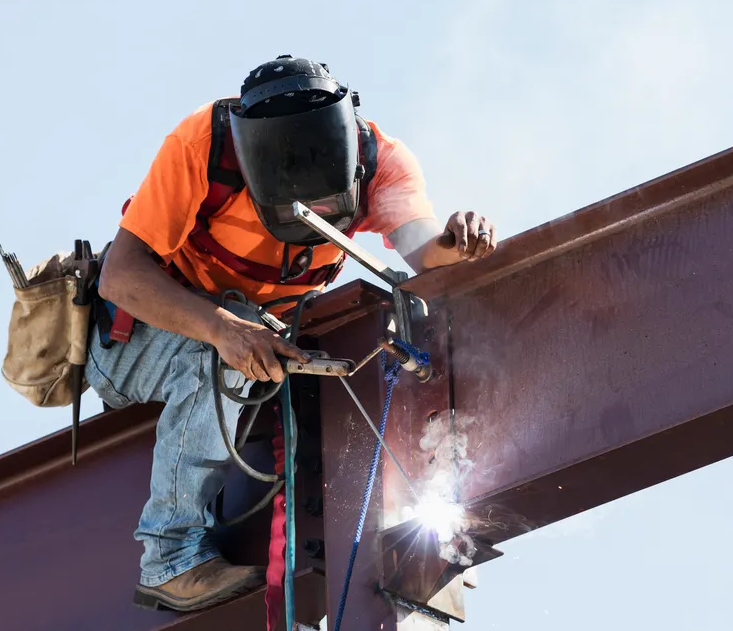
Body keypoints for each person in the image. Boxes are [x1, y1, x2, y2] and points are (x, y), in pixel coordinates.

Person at [88, 55, 498, 613]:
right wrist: (220, 329)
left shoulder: (380, 161)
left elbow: (429, 257)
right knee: (226, 356)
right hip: (136, 338)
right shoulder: (203, 146)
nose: (318, 211)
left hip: (255, 336)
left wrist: (459, 243)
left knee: (338, 369)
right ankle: (170, 558)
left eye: (329, 201)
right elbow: (122, 276)